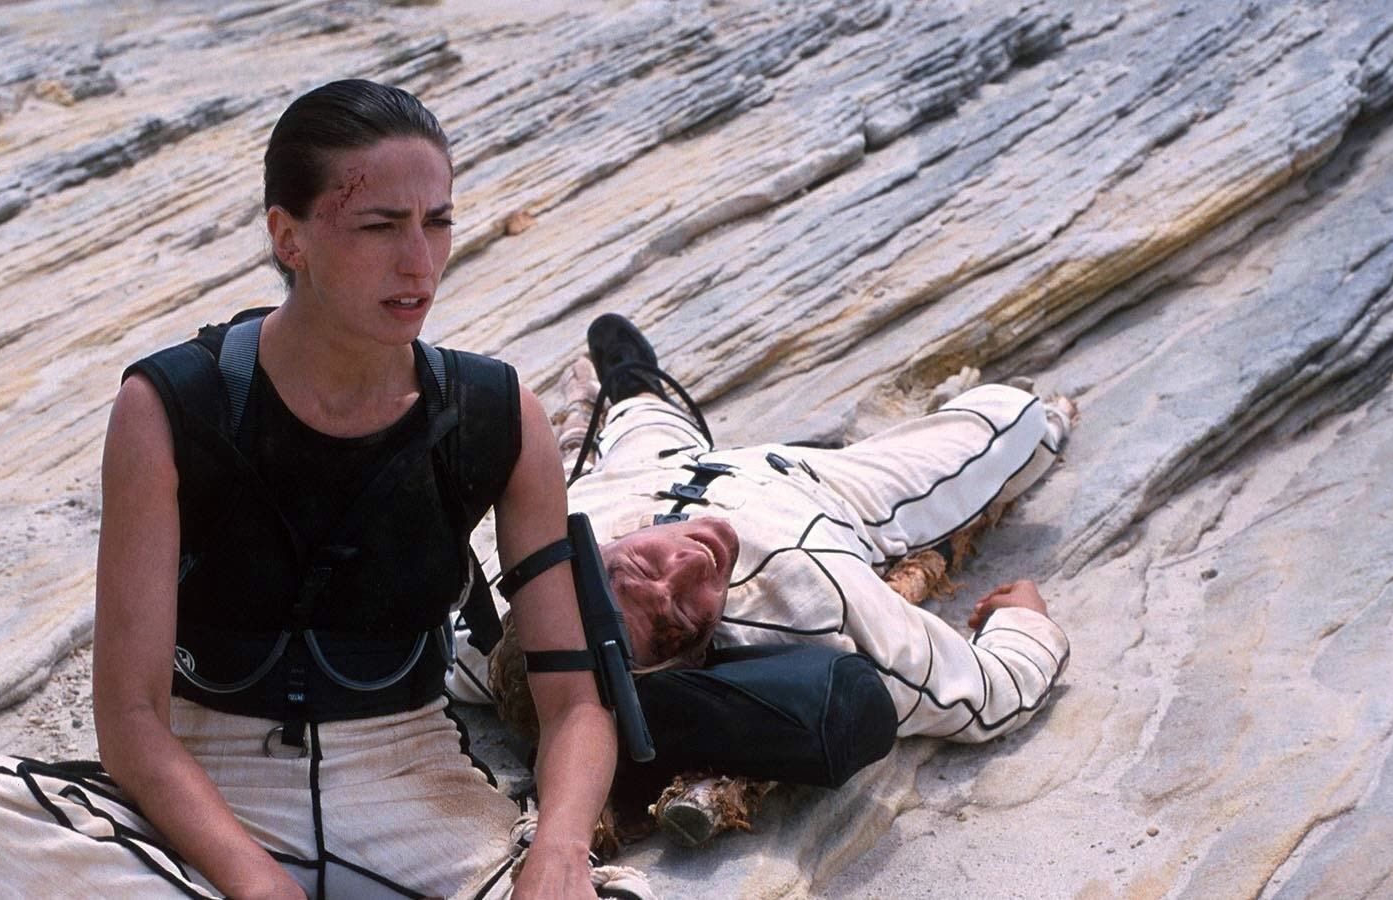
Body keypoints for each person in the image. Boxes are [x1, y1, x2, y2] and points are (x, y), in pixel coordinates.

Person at [0, 80, 640, 900]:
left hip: (415, 790)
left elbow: (574, 702)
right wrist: (256, 884)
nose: (419, 262)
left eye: (438, 222)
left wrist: (559, 849)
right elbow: (131, 722)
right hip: (206, 796)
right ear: (288, 236)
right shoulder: (171, 409)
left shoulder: (496, 414)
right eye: (379, 226)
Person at [450, 315, 1072, 830]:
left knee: (643, 423)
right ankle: (633, 402)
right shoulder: (811, 598)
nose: (690, 565)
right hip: (811, 489)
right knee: (1017, 417)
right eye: (678, 621)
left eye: (638, 569)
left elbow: (451, 655)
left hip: (630, 475)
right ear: (692, 662)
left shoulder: (493, 617)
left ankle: (633, 390)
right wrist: (1025, 624)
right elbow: (983, 694)